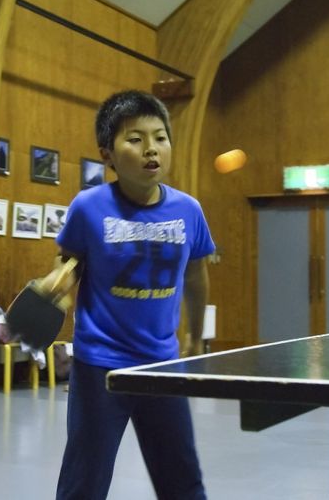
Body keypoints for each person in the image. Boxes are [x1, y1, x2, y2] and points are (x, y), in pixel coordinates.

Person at [39, 90, 214, 500]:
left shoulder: (189, 210)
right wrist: (57, 283)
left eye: (160, 138)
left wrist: (195, 336)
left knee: (183, 483)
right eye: (135, 139)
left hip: (162, 364)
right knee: (84, 484)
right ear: (108, 156)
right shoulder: (89, 206)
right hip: (100, 365)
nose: (151, 148)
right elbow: (70, 261)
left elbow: (196, 275)